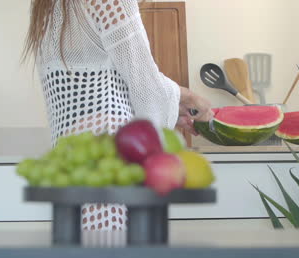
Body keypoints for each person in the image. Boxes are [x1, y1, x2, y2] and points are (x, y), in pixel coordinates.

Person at [22, 0, 213, 235]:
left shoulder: (49, 5)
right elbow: (145, 85)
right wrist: (189, 97)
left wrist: (174, 106)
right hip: (114, 155)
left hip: (72, 159)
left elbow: (93, 84)